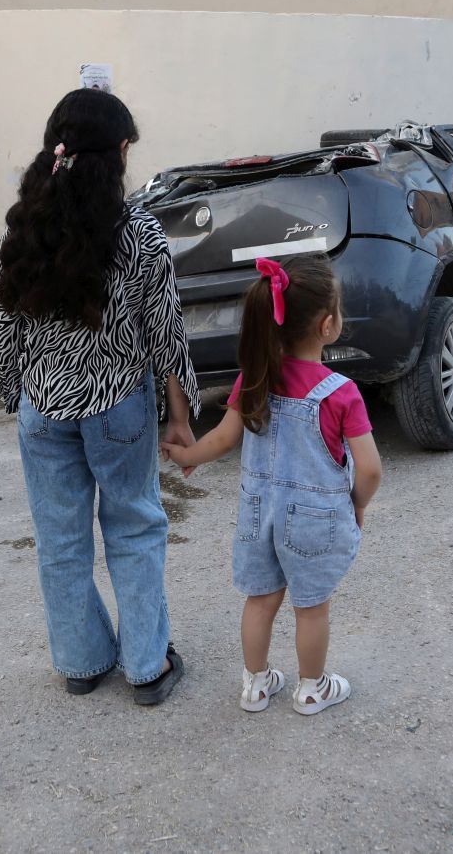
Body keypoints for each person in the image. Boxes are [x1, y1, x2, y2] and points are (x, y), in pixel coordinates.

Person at [0, 88, 200, 706]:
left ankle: (81, 663)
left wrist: (17, 392)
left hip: (43, 406)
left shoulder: (25, 225)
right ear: (118, 154)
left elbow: (9, 323)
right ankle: (146, 667)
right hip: (118, 406)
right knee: (135, 527)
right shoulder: (138, 232)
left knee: (60, 541)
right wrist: (180, 415)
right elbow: (163, 329)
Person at [161, 254, 381, 715]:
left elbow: (222, 438)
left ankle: (256, 686)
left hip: (258, 512)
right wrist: (356, 503)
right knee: (311, 605)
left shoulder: (254, 379)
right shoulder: (341, 392)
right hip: (315, 520)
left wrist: (185, 455)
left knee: (260, 599)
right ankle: (311, 688)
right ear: (327, 325)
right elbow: (371, 469)